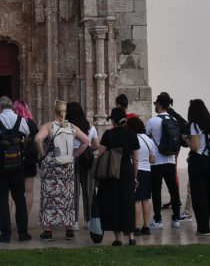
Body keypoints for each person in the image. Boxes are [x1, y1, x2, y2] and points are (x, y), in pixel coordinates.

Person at [34, 100, 89, 240]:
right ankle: (69, 229)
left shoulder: (49, 126)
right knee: (67, 196)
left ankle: (48, 230)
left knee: (49, 197)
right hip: (68, 166)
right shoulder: (72, 127)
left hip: (52, 166)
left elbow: (38, 139)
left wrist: (42, 155)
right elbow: (86, 141)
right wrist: (75, 155)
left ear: (54, 111)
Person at [0, 95, 32, 243]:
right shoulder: (20, 120)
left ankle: (5, 234)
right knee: (20, 198)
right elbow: (27, 135)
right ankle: (23, 233)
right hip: (17, 163)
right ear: (11, 106)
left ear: (0, 108)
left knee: (2, 200)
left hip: (0, 165)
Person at [99, 107, 140, 246]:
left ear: (113, 120)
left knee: (114, 202)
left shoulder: (108, 134)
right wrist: (135, 177)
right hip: (127, 170)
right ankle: (132, 236)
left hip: (112, 170)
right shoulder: (132, 134)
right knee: (128, 202)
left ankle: (118, 239)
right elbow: (135, 159)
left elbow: (100, 154)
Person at [186, 98, 210, 235]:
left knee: (198, 194)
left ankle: (203, 228)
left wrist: (187, 139)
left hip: (198, 160)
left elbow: (195, 147)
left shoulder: (194, 125)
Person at [146, 91, 182, 228]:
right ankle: (176, 219)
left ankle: (158, 219)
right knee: (173, 189)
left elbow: (146, 135)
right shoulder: (174, 120)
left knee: (156, 190)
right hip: (171, 159)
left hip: (157, 161)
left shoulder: (153, 121)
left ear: (159, 105)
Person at [67, 101, 98, 229]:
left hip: (71, 158)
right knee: (88, 190)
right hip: (87, 159)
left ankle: (74, 221)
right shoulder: (90, 127)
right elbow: (96, 145)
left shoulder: (68, 127)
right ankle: (89, 219)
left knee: (74, 191)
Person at [128, 116, 156, 235]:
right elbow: (153, 159)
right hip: (147, 171)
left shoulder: (133, 139)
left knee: (136, 200)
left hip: (136, 170)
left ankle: (136, 227)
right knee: (146, 199)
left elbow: (132, 157)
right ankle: (146, 226)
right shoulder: (149, 140)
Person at [14, 99, 39, 220]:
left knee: (11, 190)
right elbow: (38, 139)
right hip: (30, 159)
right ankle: (25, 218)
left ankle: (5, 218)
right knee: (29, 190)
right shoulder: (32, 123)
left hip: (16, 158)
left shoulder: (14, 122)